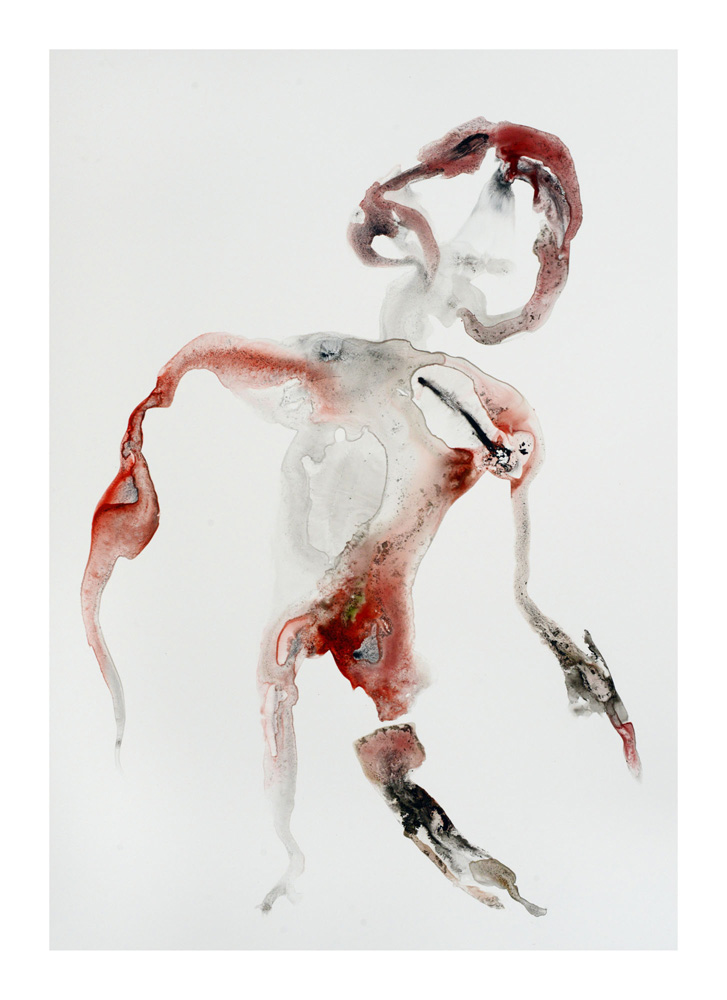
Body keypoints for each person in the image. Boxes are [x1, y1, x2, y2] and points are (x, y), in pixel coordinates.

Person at [82, 117, 639, 917]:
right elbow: (216, 362)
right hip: (361, 561)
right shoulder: (382, 375)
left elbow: (455, 409)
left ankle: (375, 813)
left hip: (375, 557)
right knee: (323, 666)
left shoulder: (433, 388)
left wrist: (489, 448)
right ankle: (358, 820)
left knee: (338, 665)